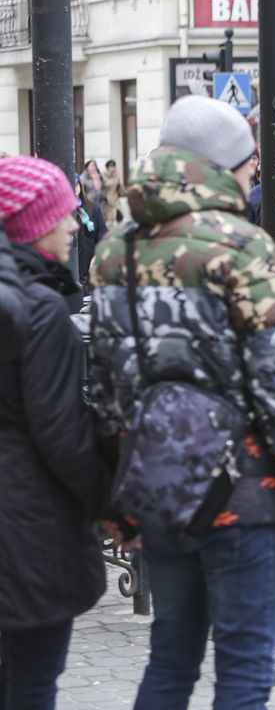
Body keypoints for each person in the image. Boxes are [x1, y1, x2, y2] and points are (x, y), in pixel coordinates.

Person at [88, 95, 275, 708]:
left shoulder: (113, 252)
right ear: (223, 166)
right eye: (250, 165)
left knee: (170, 657)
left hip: (159, 489)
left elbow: (106, 390)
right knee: (245, 670)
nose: (254, 176)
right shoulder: (241, 246)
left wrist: (115, 498)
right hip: (243, 495)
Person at [0, 158, 108, 709]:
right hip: (29, 534)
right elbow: (62, 434)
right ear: (33, 223)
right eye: (65, 214)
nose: (76, 225)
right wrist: (112, 508)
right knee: (33, 687)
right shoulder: (40, 310)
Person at [74, 174, 109, 297]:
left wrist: (97, 256)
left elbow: (103, 234)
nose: (74, 188)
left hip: (89, 261)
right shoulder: (62, 210)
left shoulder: (93, 208)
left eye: (76, 184)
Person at [102, 158, 127, 223]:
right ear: (107, 167)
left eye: (113, 167)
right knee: (109, 221)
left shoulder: (116, 175)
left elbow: (122, 191)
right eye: (110, 167)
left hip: (115, 199)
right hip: (107, 201)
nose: (112, 168)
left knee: (119, 218)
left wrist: (120, 185)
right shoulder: (102, 175)